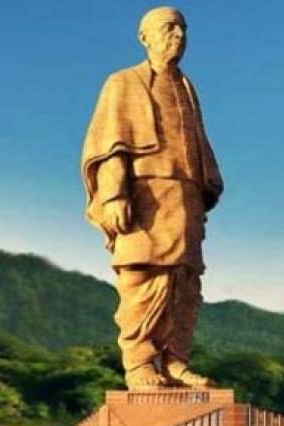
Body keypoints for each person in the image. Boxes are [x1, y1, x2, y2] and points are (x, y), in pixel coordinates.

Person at [81, 6, 223, 389]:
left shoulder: (187, 88)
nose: (178, 35)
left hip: (185, 195)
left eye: (183, 28)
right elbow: (110, 144)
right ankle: (140, 362)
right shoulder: (122, 83)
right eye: (169, 28)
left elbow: (198, 143)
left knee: (185, 281)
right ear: (144, 37)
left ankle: (176, 361)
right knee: (142, 276)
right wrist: (114, 194)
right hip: (144, 194)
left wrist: (203, 187)